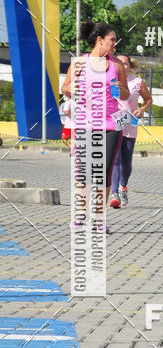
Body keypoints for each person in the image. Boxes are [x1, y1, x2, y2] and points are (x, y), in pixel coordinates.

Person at [61, 21, 129, 232]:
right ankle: (81, 214)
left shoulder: (116, 65)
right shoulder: (79, 63)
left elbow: (125, 94)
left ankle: (99, 218)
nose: (114, 43)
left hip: (110, 125)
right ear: (100, 40)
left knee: (104, 173)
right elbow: (65, 87)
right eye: (112, 39)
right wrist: (69, 87)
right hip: (85, 125)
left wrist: (120, 89)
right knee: (84, 173)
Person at [109, 55, 153, 208]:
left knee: (126, 162)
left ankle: (123, 187)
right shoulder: (112, 81)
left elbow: (148, 99)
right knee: (115, 159)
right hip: (114, 123)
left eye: (125, 64)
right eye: (119, 64)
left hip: (131, 123)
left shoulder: (137, 82)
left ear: (129, 66)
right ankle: (114, 194)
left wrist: (141, 109)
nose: (122, 66)